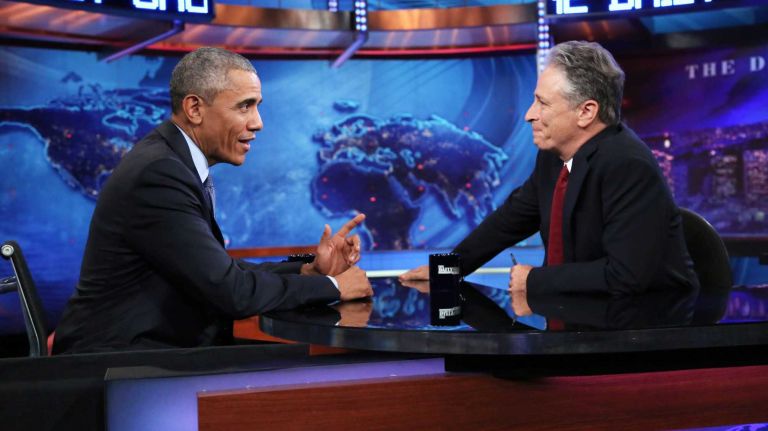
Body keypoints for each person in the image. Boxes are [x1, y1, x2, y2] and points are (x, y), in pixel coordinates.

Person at [53, 47, 372, 354]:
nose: (258, 122)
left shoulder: (172, 161)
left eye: (257, 106)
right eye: (244, 106)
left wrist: (307, 270)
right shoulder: (159, 174)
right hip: (121, 364)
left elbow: (219, 269)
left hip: (150, 354)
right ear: (195, 109)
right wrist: (333, 287)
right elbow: (231, 291)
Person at [400, 41, 699, 310]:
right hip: (580, 318)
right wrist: (449, 267)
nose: (529, 114)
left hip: (647, 325)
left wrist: (533, 280)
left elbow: (626, 276)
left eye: (543, 103)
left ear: (586, 112)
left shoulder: (628, 165)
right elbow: (511, 220)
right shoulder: (554, 157)